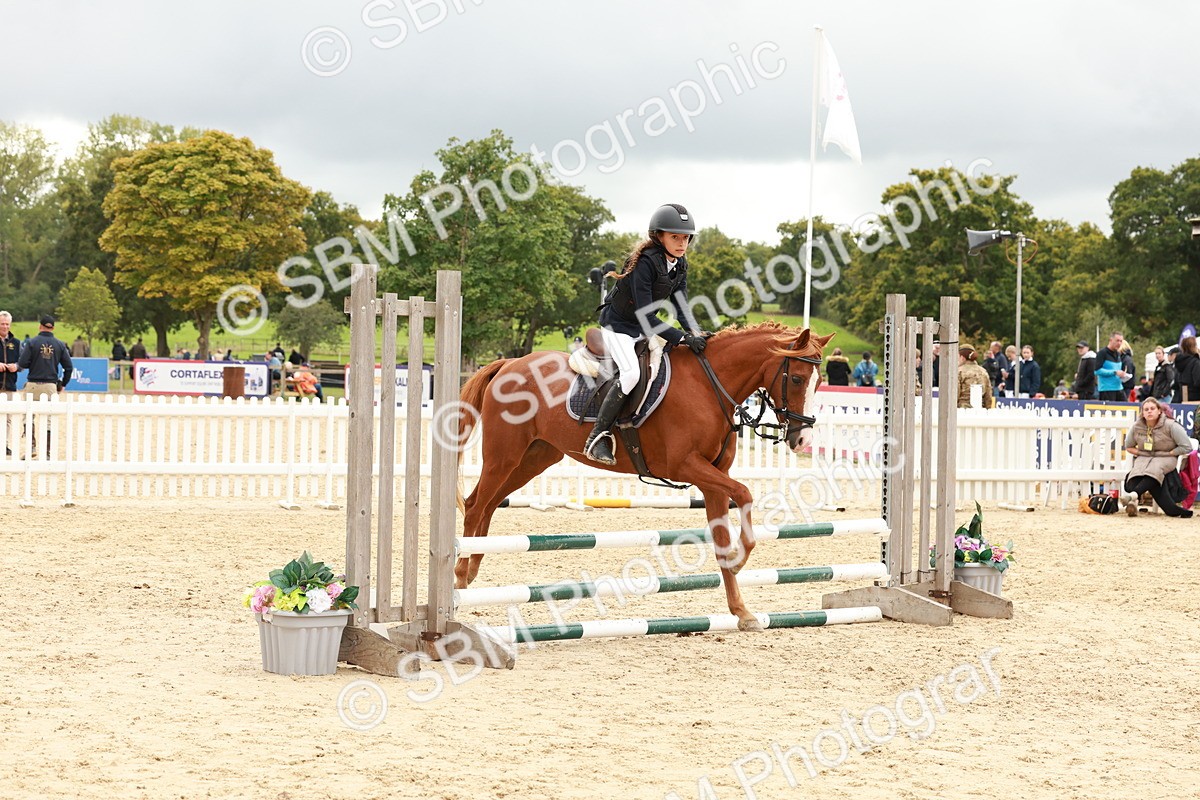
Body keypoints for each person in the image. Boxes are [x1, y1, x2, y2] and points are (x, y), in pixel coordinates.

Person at [588, 203, 705, 465]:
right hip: (617, 326)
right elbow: (646, 315)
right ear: (658, 236)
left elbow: (682, 306)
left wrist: (696, 332)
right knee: (631, 373)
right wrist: (683, 338)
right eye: (675, 237)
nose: (681, 243)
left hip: (640, 328)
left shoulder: (679, 264)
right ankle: (598, 436)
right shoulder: (645, 263)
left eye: (685, 238)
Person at [1121, 397, 1194, 518]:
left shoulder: (1171, 425)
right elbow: (1128, 446)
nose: (1149, 411)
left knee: (1154, 471)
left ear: (1159, 410)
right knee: (1133, 480)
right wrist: (1141, 452)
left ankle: (1133, 497)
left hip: (1166, 458)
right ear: (1142, 413)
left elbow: (1187, 447)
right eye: (1146, 409)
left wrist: (1170, 453)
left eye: (1152, 409)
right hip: (1144, 457)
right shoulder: (1136, 426)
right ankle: (1170, 509)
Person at [16, 315, 73, 459]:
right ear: (53, 328)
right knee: (49, 419)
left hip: (33, 384)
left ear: (40, 326)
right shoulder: (59, 344)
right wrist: (63, 384)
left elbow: (22, 363)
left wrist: (34, 361)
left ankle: (31, 447)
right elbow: (69, 367)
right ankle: (47, 452)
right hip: (50, 385)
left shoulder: (32, 342)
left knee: (28, 416)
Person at [0, 311, 20, 455]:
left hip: (10, 386)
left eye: (7, 324)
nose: (5, 327)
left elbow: (25, 362)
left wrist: (17, 366)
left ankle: (3, 444)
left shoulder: (16, 343)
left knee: (7, 419)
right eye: (2, 324)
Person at [1094, 331, 1130, 402]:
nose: (1119, 343)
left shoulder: (1118, 354)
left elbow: (1117, 370)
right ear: (1110, 340)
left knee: (1126, 409)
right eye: (1117, 341)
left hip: (1119, 387)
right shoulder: (1102, 353)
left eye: (1121, 341)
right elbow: (1097, 371)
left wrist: (1123, 374)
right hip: (1107, 389)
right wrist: (1114, 372)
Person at [1172, 337, 1200, 403]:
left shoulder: (1178, 362)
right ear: (1194, 346)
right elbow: (1198, 381)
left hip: (1180, 398)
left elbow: (1175, 383)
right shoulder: (1195, 362)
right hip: (1195, 400)